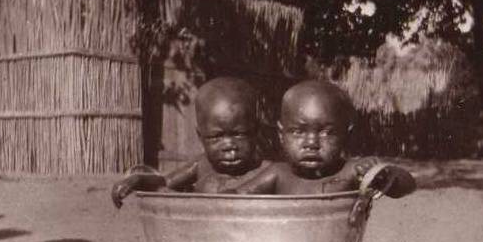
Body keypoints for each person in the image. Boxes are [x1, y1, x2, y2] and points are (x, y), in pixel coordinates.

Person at [227, 80, 416, 197]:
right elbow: (234, 198)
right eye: (298, 132)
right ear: (280, 134)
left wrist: (385, 174)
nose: (311, 143)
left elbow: (408, 186)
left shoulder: (350, 172)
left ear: (346, 134)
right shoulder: (278, 173)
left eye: (326, 132)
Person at [110, 77, 268, 207]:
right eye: (216, 137)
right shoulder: (202, 166)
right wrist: (139, 179)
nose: (228, 145)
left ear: (256, 131)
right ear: (201, 136)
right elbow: (165, 182)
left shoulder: (265, 172)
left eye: (239, 134)